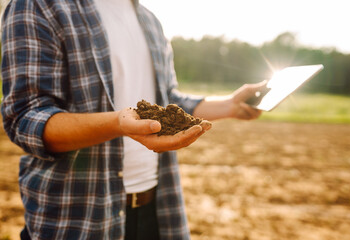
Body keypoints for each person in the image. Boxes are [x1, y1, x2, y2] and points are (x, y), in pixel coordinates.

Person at [1, 0, 265, 239]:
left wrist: (229, 105)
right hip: (77, 218)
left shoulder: (150, 21)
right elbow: (26, 118)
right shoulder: (39, 6)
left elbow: (166, 101)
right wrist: (118, 124)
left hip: (156, 212)